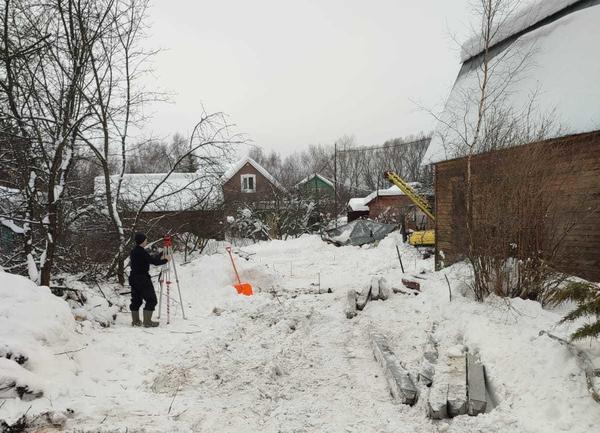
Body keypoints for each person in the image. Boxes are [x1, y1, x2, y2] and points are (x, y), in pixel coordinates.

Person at [128, 232, 169, 327]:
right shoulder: (142, 252)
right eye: (145, 239)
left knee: (136, 300)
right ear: (142, 241)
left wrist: (162, 253)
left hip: (133, 278)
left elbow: (150, 259)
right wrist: (166, 259)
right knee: (151, 300)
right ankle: (147, 322)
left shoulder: (135, 251)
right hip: (142, 279)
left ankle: (136, 321)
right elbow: (154, 262)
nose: (147, 241)